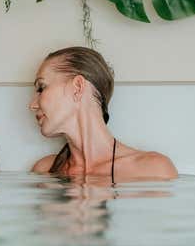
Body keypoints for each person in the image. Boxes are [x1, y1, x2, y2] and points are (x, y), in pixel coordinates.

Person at [29, 47, 178, 182]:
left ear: (78, 88)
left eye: (41, 88)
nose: (32, 105)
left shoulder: (153, 171)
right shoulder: (45, 171)